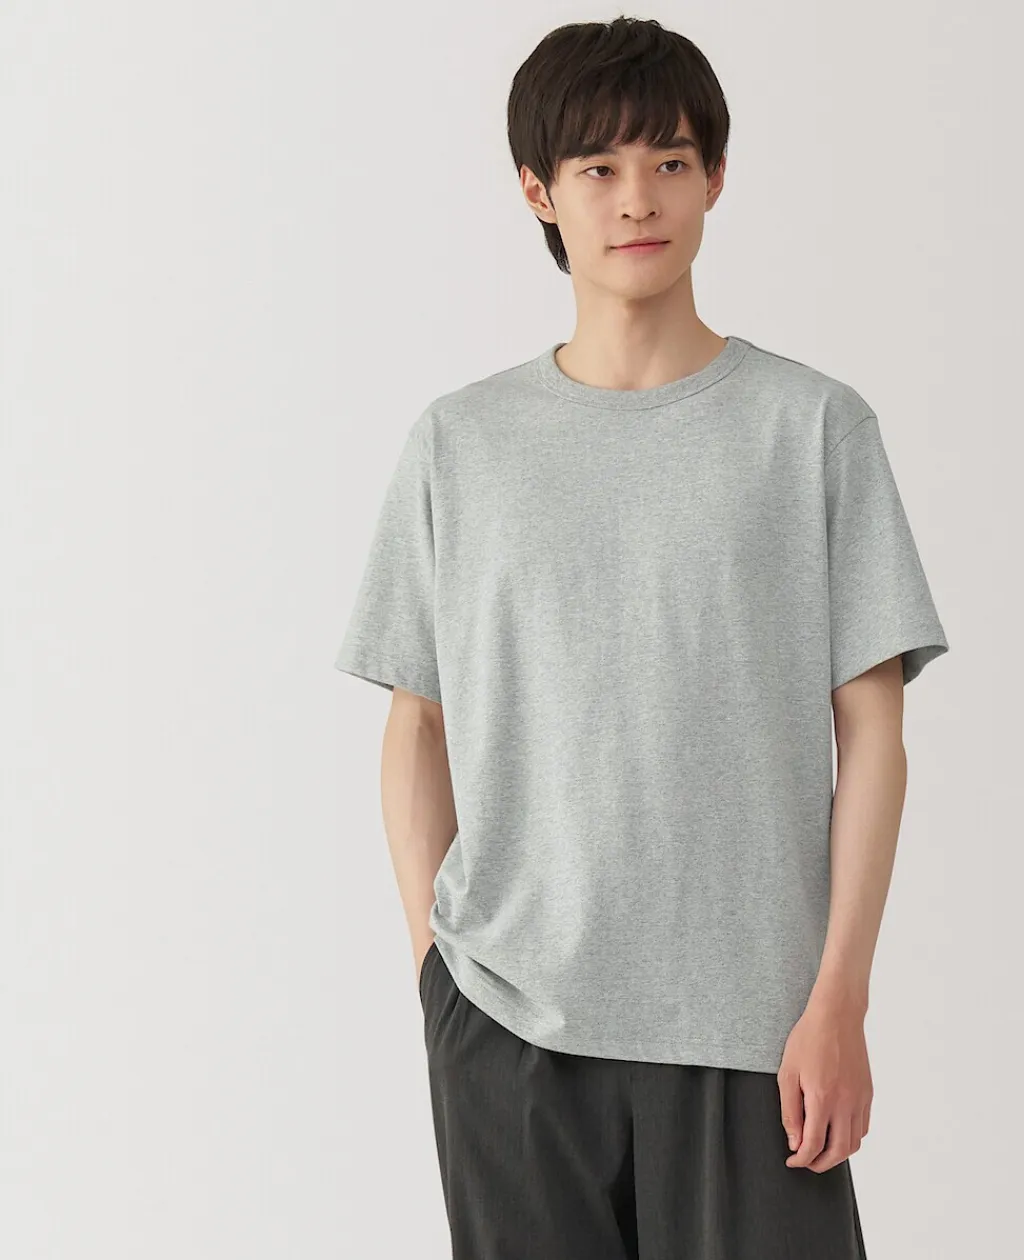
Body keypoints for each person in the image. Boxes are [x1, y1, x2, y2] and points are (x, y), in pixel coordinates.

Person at [333, 14, 949, 1259]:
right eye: (598, 168)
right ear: (539, 192)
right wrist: (438, 976)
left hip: (756, 1031)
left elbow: (874, 733)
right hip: (509, 1023)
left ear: (716, 176)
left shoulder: (811, 429)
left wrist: (840, 995)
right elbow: (417, 721)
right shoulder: (461, 444)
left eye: (669, 161)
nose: (636, 200)